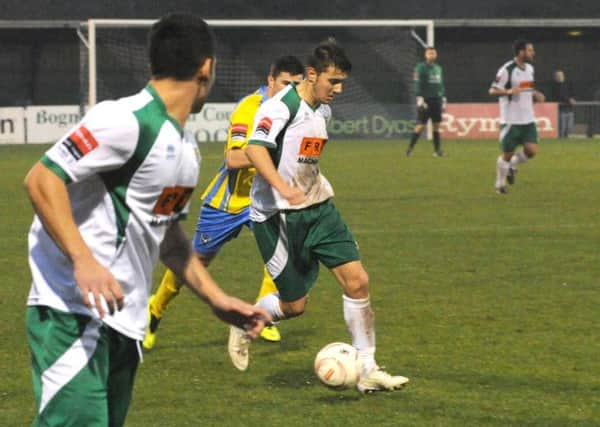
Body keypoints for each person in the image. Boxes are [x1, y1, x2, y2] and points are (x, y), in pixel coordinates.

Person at [23, 14, 269, 426]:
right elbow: (41, 178)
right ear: (206, 67)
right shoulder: (124, 119)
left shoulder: (186, 150)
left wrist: (217, 298)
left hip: (125, 325)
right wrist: (83, 259)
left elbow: (167, 236)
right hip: (73, 313)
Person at [228, 39, 409, 394]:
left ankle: (368, 368)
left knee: (357, 281)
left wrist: (305, 186)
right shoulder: (281, 107)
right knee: (294, 306)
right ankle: (246, 319)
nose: (338, 90)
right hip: (278, 217)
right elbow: (253, 148)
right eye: (333, 82)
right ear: (311, 75)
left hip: (320, 209)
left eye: (342, 82)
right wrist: (282, 185)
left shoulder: (322, 110)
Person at [144, 56, 304, 350]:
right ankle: (154, 309)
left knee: (279, 254)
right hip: (228, 202)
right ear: (271, 80)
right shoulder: (249, 108)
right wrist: (270, 154)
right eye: (285, 83)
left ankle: (263, 316)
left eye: (296, 85)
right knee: (195, 262)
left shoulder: (296, 111)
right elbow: (233, 159)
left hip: (267, 200)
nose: (290, 90)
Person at [489, 39, 545, 194]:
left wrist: (536, 94)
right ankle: (500, 184)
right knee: (506, 155)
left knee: (532, 151)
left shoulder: (530, 69)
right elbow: (492, 90)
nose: (533, 53)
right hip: (511, 121)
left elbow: (528, 87)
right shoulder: (507, 69)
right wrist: (507, 91)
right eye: (530, 50)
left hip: (528, 119)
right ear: (521, 52)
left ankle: (513, 165)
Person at [406, 46, 446, 157]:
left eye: (433, 53)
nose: (431, 55)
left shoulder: (438, 68)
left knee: (436, 125)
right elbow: (417, 83)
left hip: (437, 100)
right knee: (420, 125)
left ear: (436, 55)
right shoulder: (420, 68)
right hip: (425, 100)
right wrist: (419, 97)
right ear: (425, 55)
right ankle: (410, 149)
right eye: (429, 53)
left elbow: (440, 84)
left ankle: (437, 150)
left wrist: (443, 97)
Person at [550, 70, 576, 138]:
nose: (559, 77)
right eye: (557, 76)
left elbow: (572, 94)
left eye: (560, 75)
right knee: (562, 128)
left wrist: (572, 99)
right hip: (561, 110)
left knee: (569, 128)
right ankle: (561, 140)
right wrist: (569, 99)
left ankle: (567, 140)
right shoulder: (554, 86)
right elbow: (560, 95)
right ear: (555, 77)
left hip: (570, 110)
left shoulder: (568, 84)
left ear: (564, 76)